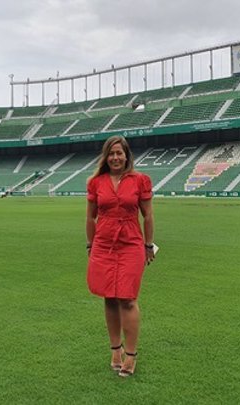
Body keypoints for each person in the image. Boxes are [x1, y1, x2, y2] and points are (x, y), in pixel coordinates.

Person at [86, 135, 155, 377]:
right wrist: (90, 245)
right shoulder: (96, 182)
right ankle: (115, 349)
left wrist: (148, 245)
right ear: (106, 157)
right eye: (111, 153)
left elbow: (147, 215)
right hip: (103, 244)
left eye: (119, 153)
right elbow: (90, 217)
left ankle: (131, 354)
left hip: (131, 244)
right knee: (109, 297)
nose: (115, 158)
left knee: (127, 298)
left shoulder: (140, 180)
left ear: (127, 155)